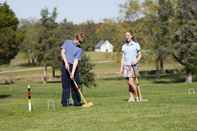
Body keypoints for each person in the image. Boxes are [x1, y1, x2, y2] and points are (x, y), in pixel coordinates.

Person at [60, 32, 85, 107]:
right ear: (76, 39)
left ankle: (77, 102)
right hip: (65, 65)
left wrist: (73, 72)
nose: (80, 43)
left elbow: (76, 61)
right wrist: (66, 62)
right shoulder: (67, 42)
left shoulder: (79, 49)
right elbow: (62, 52)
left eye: (81, 42)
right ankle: (65, 103)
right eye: (79, 42)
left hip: (73, 67)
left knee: (75, 85)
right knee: (66, 86)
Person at [120, 31, 142, 102]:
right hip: (126, 66)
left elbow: (140, 55)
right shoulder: (124, 46)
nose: (127, 36)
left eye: (128, 35)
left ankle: (137, 96)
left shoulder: (136, 45)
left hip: (133, 66)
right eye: (126, 35)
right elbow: (123, 58)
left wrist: (136, 60)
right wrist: (121, 68)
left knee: (131, 82)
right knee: (129, 83)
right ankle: (131, 97)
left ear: (131, 36)